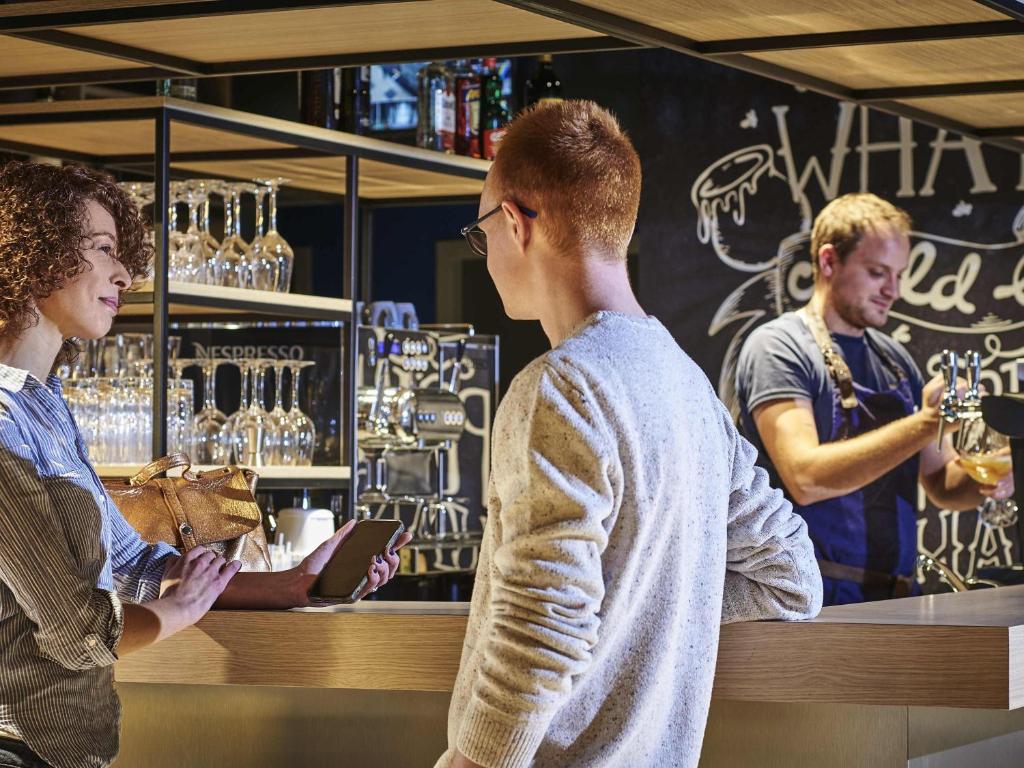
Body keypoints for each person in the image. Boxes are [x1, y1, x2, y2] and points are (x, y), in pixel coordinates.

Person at [435, 100, 821, 768]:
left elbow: (541, 626)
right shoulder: (690, 388)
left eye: (482, 233)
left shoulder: (559, 387)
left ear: (514, 224)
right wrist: (646, 611)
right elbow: (793, 578)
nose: (487, 253)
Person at [0, 161, 411, 768]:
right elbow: (79, 631)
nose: (126, 275)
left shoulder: (44, 409)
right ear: (35, 253)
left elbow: (134, 565)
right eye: (105, 250)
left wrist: (289, 584)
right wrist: (177, 612)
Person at [736, 193, 1015, 606]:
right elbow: (806, 477)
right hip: (809, 599)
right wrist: (927, 422)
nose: (894, 290)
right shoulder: (778, 347)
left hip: (899, 597)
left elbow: (941, 485)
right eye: (877, 273)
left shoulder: (894, 359)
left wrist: (996, 473)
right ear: (829, 261)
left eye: (898, 275)